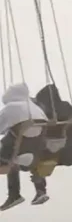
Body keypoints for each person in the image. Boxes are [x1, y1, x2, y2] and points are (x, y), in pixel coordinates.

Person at [0, 83, 48, 211]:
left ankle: (14, 194)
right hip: (33, 152)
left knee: (9, 155)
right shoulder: (36, 108)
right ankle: (38, 190)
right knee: (13, 157)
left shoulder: (11, 107)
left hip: (11, 155)